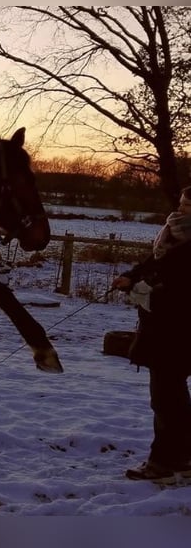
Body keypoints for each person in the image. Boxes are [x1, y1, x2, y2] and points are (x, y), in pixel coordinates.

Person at [111, 185, 191, 482]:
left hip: (179, 333)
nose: (179, 210)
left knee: (167, 400)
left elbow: (182, 291)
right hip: (162, 331)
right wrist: (131, 277)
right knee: (172, 398)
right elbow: (153, 265)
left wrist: (147, 294)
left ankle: (163, 465)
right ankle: (182, 460)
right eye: (181, 203)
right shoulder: (172, 235)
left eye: (186, 207)